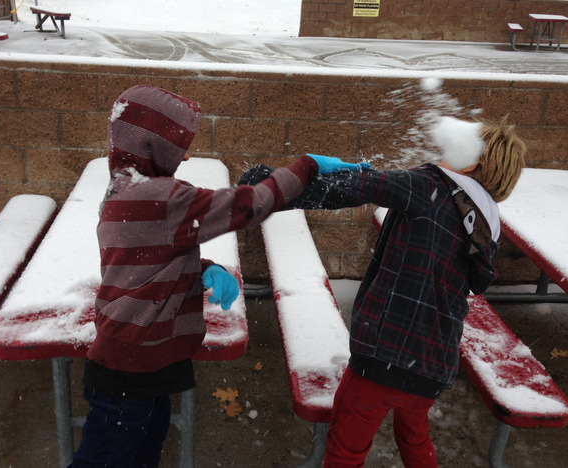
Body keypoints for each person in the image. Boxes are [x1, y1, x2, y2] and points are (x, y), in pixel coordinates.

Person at [69, 84, 367, 468]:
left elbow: (141, 261)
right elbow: (247, 206)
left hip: (144, 365)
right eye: (179, 145)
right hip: (129, 372)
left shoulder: (126, 189)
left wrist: (203, 269)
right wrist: (305, 167)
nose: (187, 155)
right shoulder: (157, 197)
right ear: (150, 145)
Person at [239, 119, 526, 467]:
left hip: (385, 354)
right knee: (414, 437)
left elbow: (357, 187)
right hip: (433, 364)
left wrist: (267, 188)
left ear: (469, 162)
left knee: (345, 450)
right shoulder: (484, 224)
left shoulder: (429, 185)